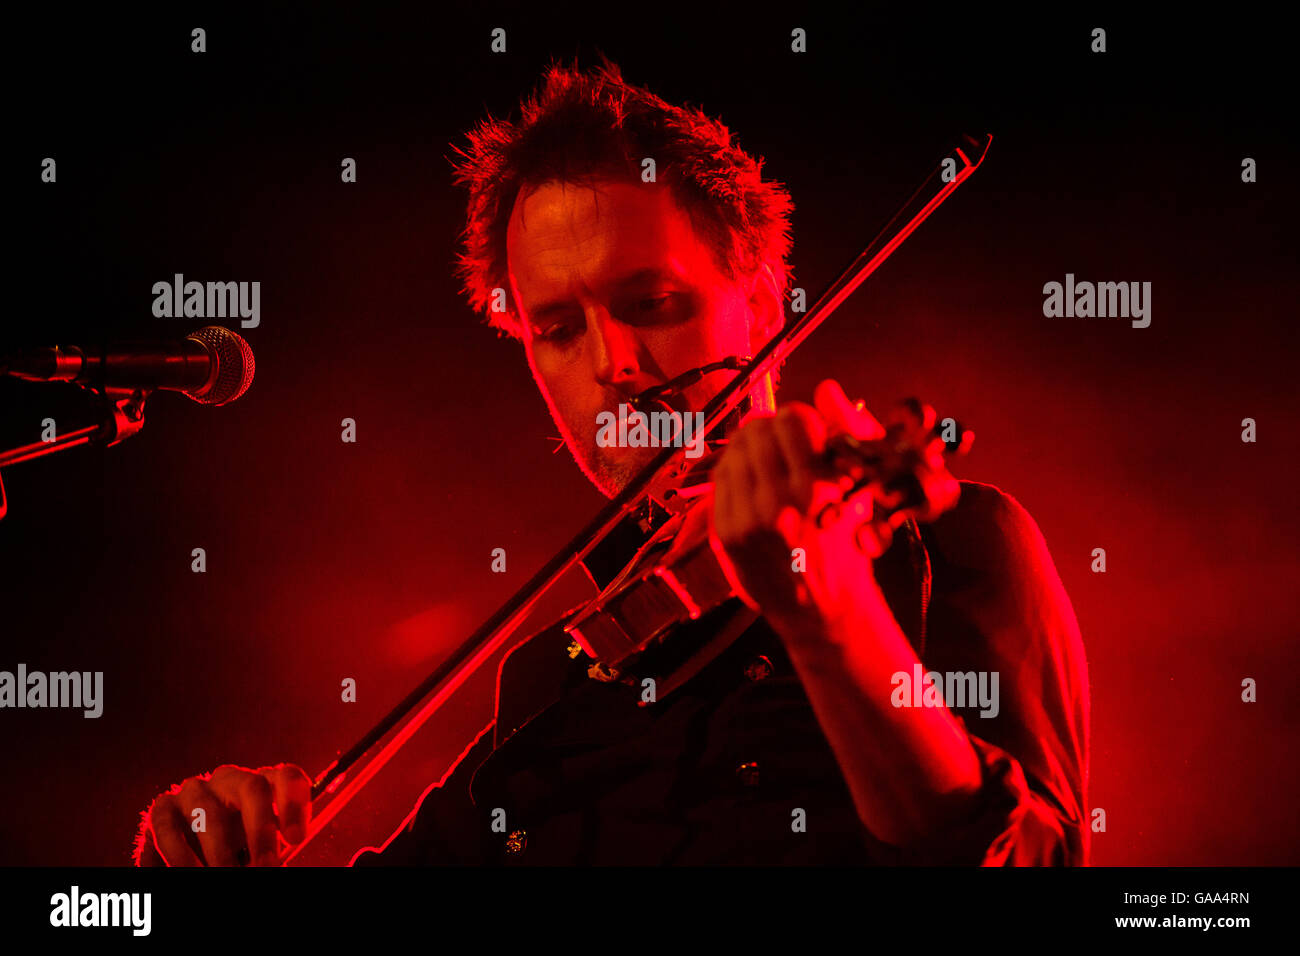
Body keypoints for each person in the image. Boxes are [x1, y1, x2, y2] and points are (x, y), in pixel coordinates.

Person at [135, 60, 1090, 867]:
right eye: (556, 327)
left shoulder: (943, 544)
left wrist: (828, 614)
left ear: (760, 310)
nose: (613, 366)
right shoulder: (556, 676)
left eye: (652, 301)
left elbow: (1026, 858)